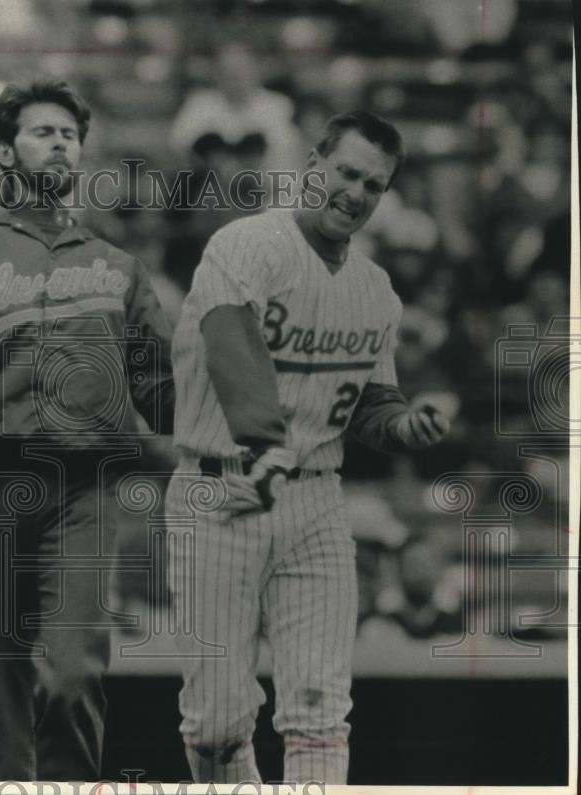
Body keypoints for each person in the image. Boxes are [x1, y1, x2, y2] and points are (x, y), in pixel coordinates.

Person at [165, 111, 450, 784]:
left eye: (373, 185)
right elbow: (230, 343)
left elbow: (371, 402)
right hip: (222, 489)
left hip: (316, 497)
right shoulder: (247, 244)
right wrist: (265, 443)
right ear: (313, 165)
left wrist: (402, 426)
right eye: (347, 172)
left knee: (320, 711)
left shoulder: (375, 289)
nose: (355, 192)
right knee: (216, 724)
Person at [0, 77, 175, 781]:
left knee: (71, 676)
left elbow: (163, 391)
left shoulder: (117, 266)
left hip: (84, 486)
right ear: (4, 151)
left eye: (70, 134)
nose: (60, 144)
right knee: (3, 688)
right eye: (42, 132)